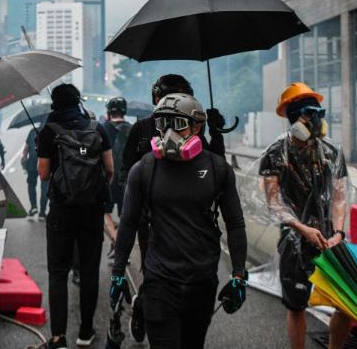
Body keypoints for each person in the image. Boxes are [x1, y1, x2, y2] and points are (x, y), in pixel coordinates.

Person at [110, 93, 248, 349]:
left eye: (178, 123)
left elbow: (235, 223)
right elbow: (128, 223)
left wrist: (239, 274)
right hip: (160, 283)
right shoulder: (144, 169)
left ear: (197, 126)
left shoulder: (218, 169)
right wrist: (118, 272)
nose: (168, 131)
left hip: (203, 282)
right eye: (162, 123)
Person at [259, 82, 351, 349]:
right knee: (297, 306)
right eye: (308, 115)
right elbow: (273, 203)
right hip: (294, 240)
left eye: (318, 115)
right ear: (294, 118)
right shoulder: (275, 153)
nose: (315, 121)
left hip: (330, 241)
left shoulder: (332, 151)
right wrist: (302, 229)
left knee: (346, 306)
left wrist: (338, 233)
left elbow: (339, 197)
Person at [36, 83, 114, 349]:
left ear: (54, 104)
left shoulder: (48, 131)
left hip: (61, 210)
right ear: (78, 102)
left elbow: (44, 174)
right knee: (90, 271)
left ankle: (58, 338)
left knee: (58, 272)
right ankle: (85, 331)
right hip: (91, 211)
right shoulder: (96, 128)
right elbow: (110, 169)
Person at [102, 96, 131, 255]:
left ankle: (116, 241)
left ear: (109, 112)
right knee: (125, 217)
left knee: (104, 213)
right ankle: (120, 243)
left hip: (108, 179)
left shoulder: (102, 129)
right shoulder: (133, 129)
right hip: (129, 181)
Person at [22, 122, 48, 218]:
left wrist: (24, 159)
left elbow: (26, 148)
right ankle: (42, 211)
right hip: (45, 163)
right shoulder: (51, 132)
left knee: (31, 185)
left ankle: (33, 206)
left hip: (32, 163)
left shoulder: (32, 131)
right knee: (45, 187)